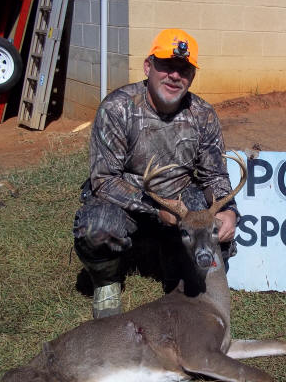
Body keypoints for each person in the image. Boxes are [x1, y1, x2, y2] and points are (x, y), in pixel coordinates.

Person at [73, 28, 240, 318]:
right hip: (128, 204)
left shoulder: (202, 114)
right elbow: (104, 180)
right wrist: (156, 209)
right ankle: (107, 283)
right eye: (166, 66)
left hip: (180, 207)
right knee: (96, 226)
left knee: (207, 222)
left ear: (192, 76)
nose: (175, 76)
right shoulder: (117, 108)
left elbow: (214, 176)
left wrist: (229, 210)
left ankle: (177, 265)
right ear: (148, 67)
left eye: (184, 70)